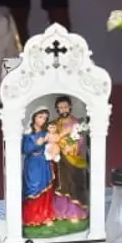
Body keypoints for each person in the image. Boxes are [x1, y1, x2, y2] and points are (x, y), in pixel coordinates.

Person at [50, 95, 89, 225]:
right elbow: (51, 138)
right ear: (57, 109)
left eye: (65, 106)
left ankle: (75, 212)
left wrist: (73, 147)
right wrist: (59, 143)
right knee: (61, 184)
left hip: (74, 159)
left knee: (74, 184)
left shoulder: (77, 123)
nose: (63, 109)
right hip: (60, 160)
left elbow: (81, 139)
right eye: (60, 107)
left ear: (70, 107)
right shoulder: (55, 124)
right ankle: (61, 211)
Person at [21, 108, 57, 228]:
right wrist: (37, 144)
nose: (42, 120)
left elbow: (52, 144)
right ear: (34, 117)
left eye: (45, 118)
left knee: (46, 187)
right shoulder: (28, 133)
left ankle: (45, 215)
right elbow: (25, 150)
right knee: (33, 188)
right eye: (40, 117)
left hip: (44, 161)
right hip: (32, 163)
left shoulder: (46, 132)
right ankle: (32, 216)